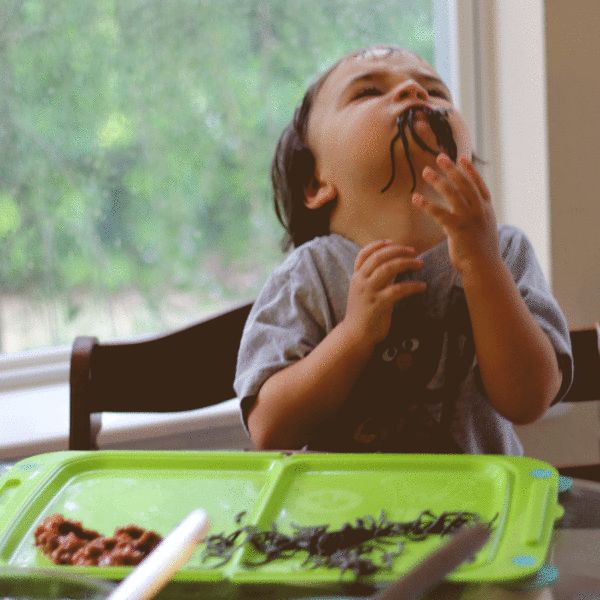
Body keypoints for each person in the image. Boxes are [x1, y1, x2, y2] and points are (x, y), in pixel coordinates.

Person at [234, 45, 573, 454]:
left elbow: (528, 400)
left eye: (436, 91)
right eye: (367, 92)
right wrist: (354, 335)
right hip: (340, 515)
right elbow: (271, 430)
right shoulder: (308, 275)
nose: (414, 90)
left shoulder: (504, 252)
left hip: (486, 514)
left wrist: (484, 267)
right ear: (314, 183)